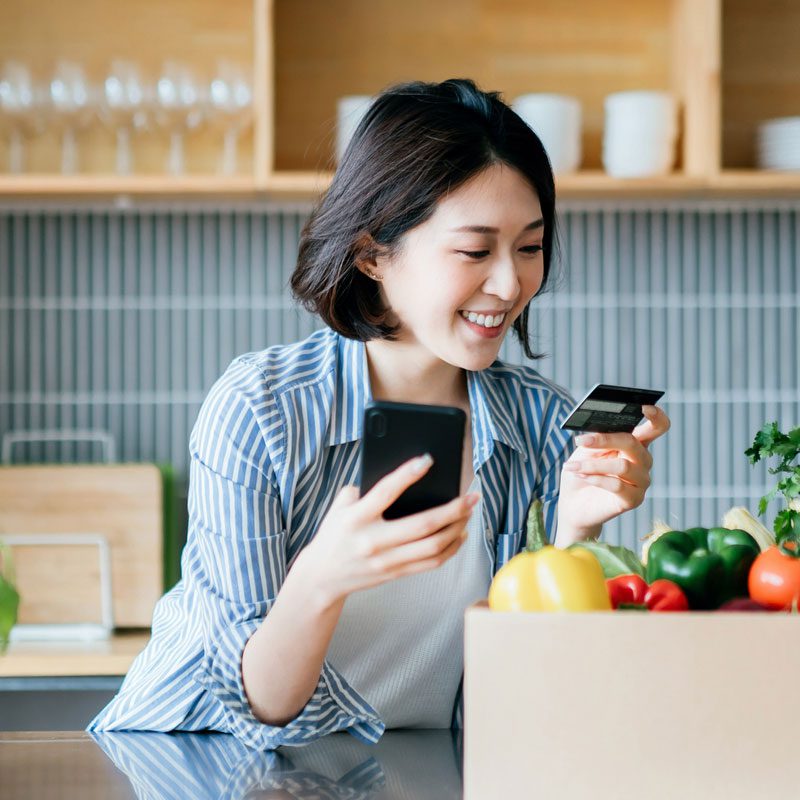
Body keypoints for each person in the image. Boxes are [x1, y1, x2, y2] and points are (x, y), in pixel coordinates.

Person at [88, 78, 670, 750]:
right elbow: (259, 706)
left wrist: (574, 534)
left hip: (408, 772)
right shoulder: (262, 410)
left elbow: (530, 697)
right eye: (475, 250)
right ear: (372, 253)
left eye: (530, 247)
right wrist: (323, 576)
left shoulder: (542, 424)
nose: (511, 284)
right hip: (197, 762)